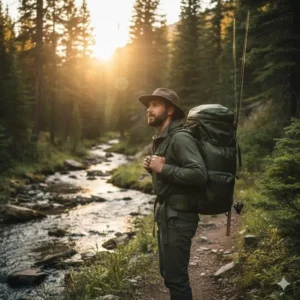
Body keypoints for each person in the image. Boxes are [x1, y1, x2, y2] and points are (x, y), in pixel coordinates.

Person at [139, 87, 208, 300]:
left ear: (169, 111)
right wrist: (153, 167)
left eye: (155, 105)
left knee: (176, 279)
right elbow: (170, 168)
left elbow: (199, 175)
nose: (149, 109)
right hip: (169, 216)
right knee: (169, 275)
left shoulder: (180, 138)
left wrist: (163, 169)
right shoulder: (163, 137)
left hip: (179, 218)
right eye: (149, 105)